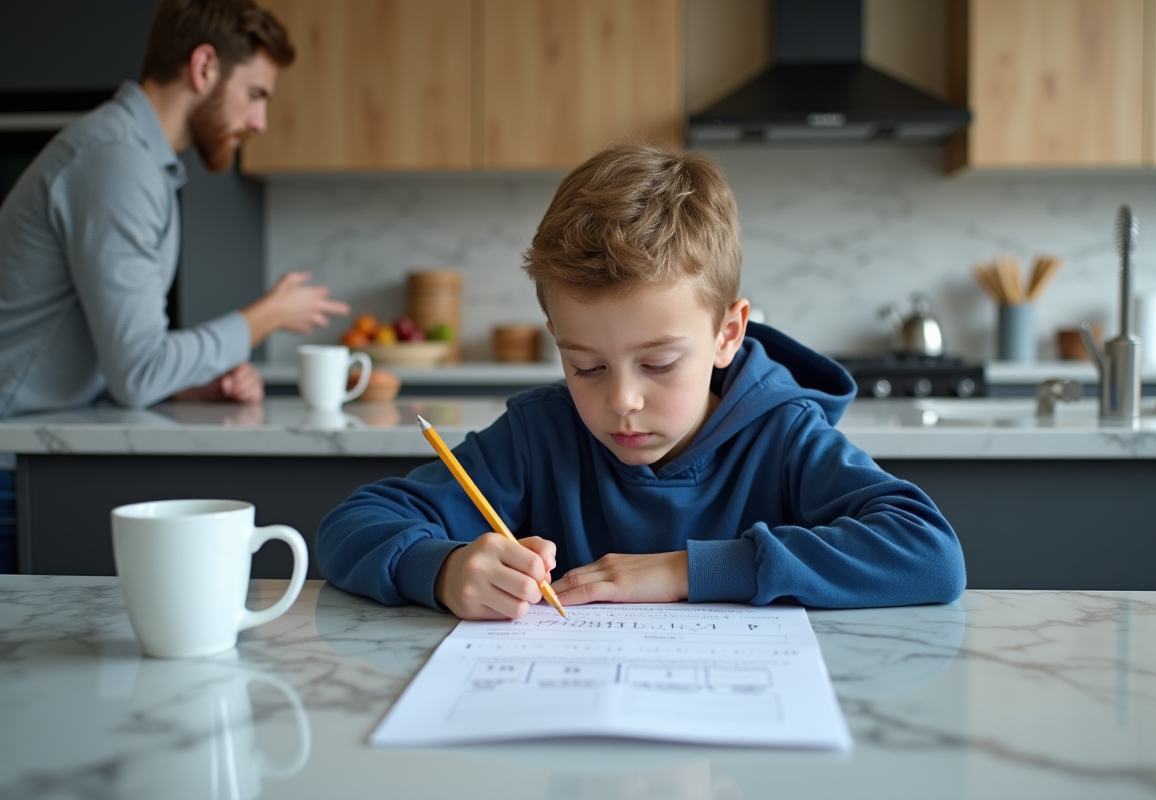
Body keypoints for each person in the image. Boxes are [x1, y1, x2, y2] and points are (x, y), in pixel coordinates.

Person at [316, 143, 966, 619]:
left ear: (728, 335)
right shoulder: (537, 436)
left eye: (658, 364)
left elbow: (929, 553)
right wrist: (444, 569)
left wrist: (687, 570)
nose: (621, 401)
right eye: (586, 366)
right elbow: (353, 524)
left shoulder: (784, 435)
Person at [0, 0, 349, 418]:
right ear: (204, 67)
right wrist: (267, 315)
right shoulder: (118, 161)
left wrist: (188, 385)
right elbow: (139, 371)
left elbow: (126, 365)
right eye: (255, 94)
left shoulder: (141, 159)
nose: (260, 122)